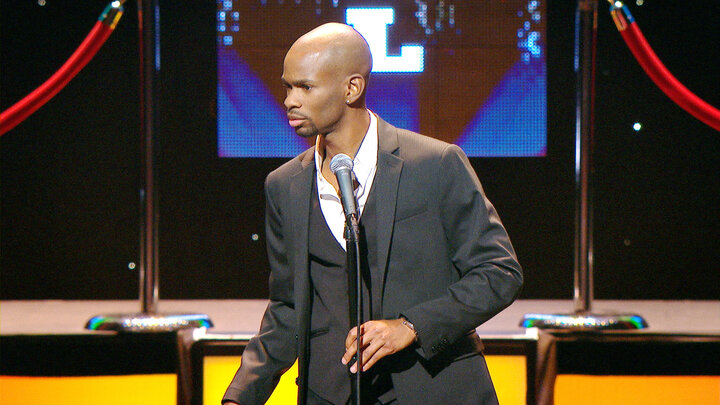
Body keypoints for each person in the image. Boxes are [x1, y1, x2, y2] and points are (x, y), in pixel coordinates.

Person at [223, 23, 523, 405]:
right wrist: (241, 396)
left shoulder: (435, 164)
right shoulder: (284, 185)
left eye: (305, 87)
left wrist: (411, 326)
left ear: (352, 88)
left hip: (434, 388)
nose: (290, 101)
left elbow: (499, 273)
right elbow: (288, 309)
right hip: (331, 393)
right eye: (287, 87)